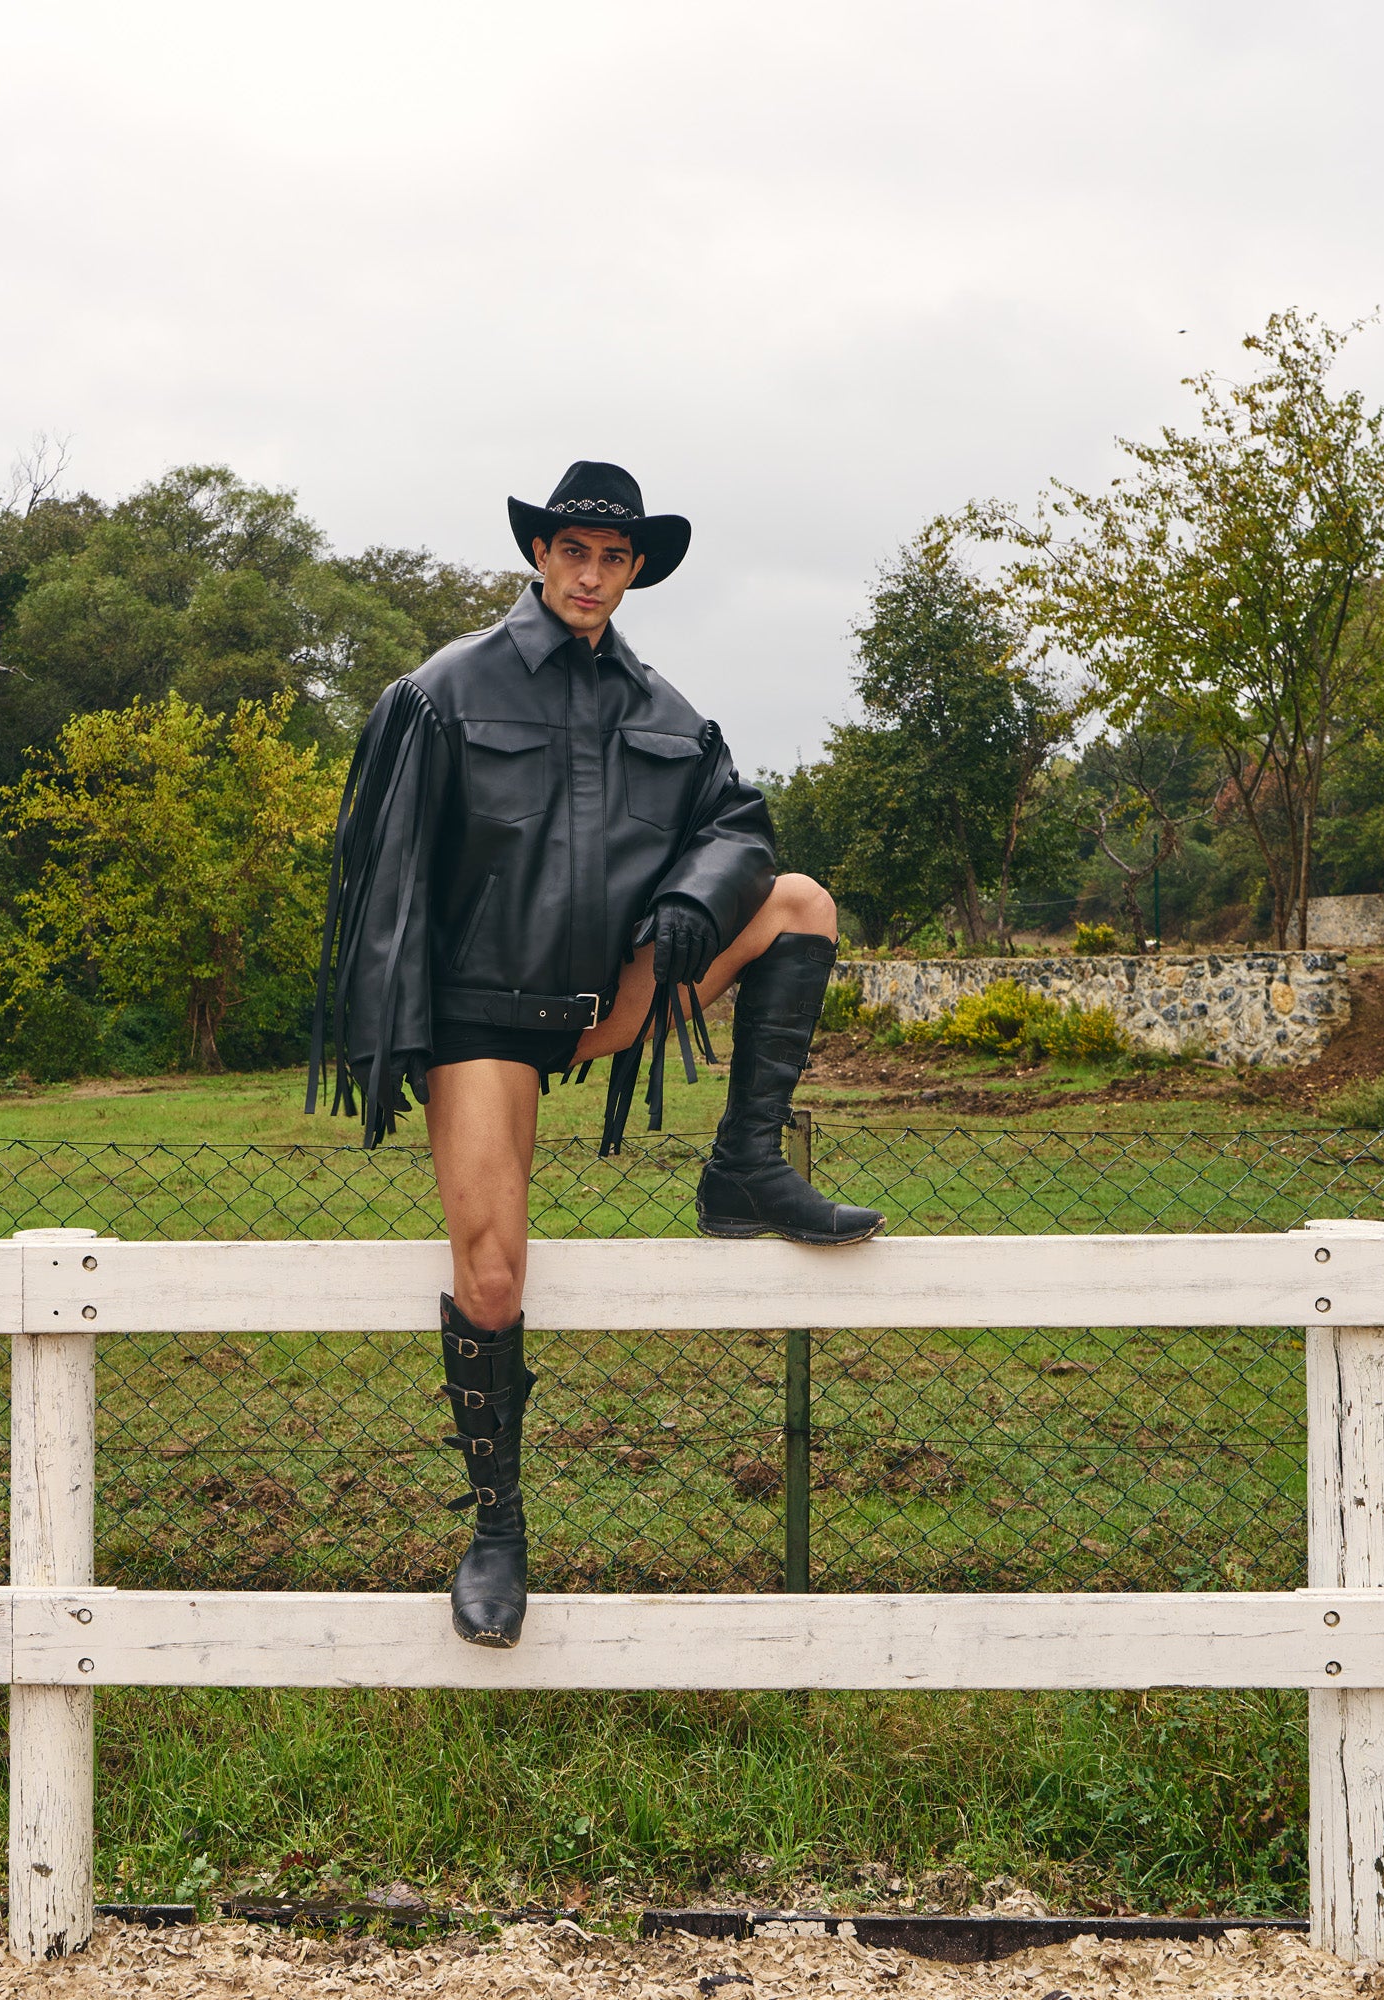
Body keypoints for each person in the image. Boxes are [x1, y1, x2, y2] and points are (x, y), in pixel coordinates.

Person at [309, 461, 883, 1649]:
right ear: (540, 555)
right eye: (572, 550)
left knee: (796, 899)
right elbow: (385, 871)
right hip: (478, 1014)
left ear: (632, 570)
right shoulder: (443, 690)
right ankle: (496, 1527)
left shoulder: (665, 710)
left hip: (597, 996)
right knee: (494, 1274)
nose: (588, 573)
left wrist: (689, 895)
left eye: (611, 557)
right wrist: (396, 1031)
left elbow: (736, 825)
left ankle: (743, 1167)